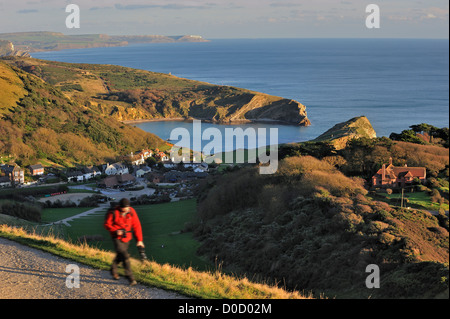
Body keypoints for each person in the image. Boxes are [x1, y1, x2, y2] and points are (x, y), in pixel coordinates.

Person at [104, 198, 145, 286]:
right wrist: (116, 230)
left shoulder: (132, 212)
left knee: (120, 256)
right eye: (124, 209)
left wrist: (139, 240)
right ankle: (130, 278)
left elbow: (137, 226)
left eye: (127, 208)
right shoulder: (113, 212)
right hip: (116, 237)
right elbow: (107, 224)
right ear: (120, 207)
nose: (126, 210)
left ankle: (113, 270)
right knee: (125, 256)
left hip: (127, 238)